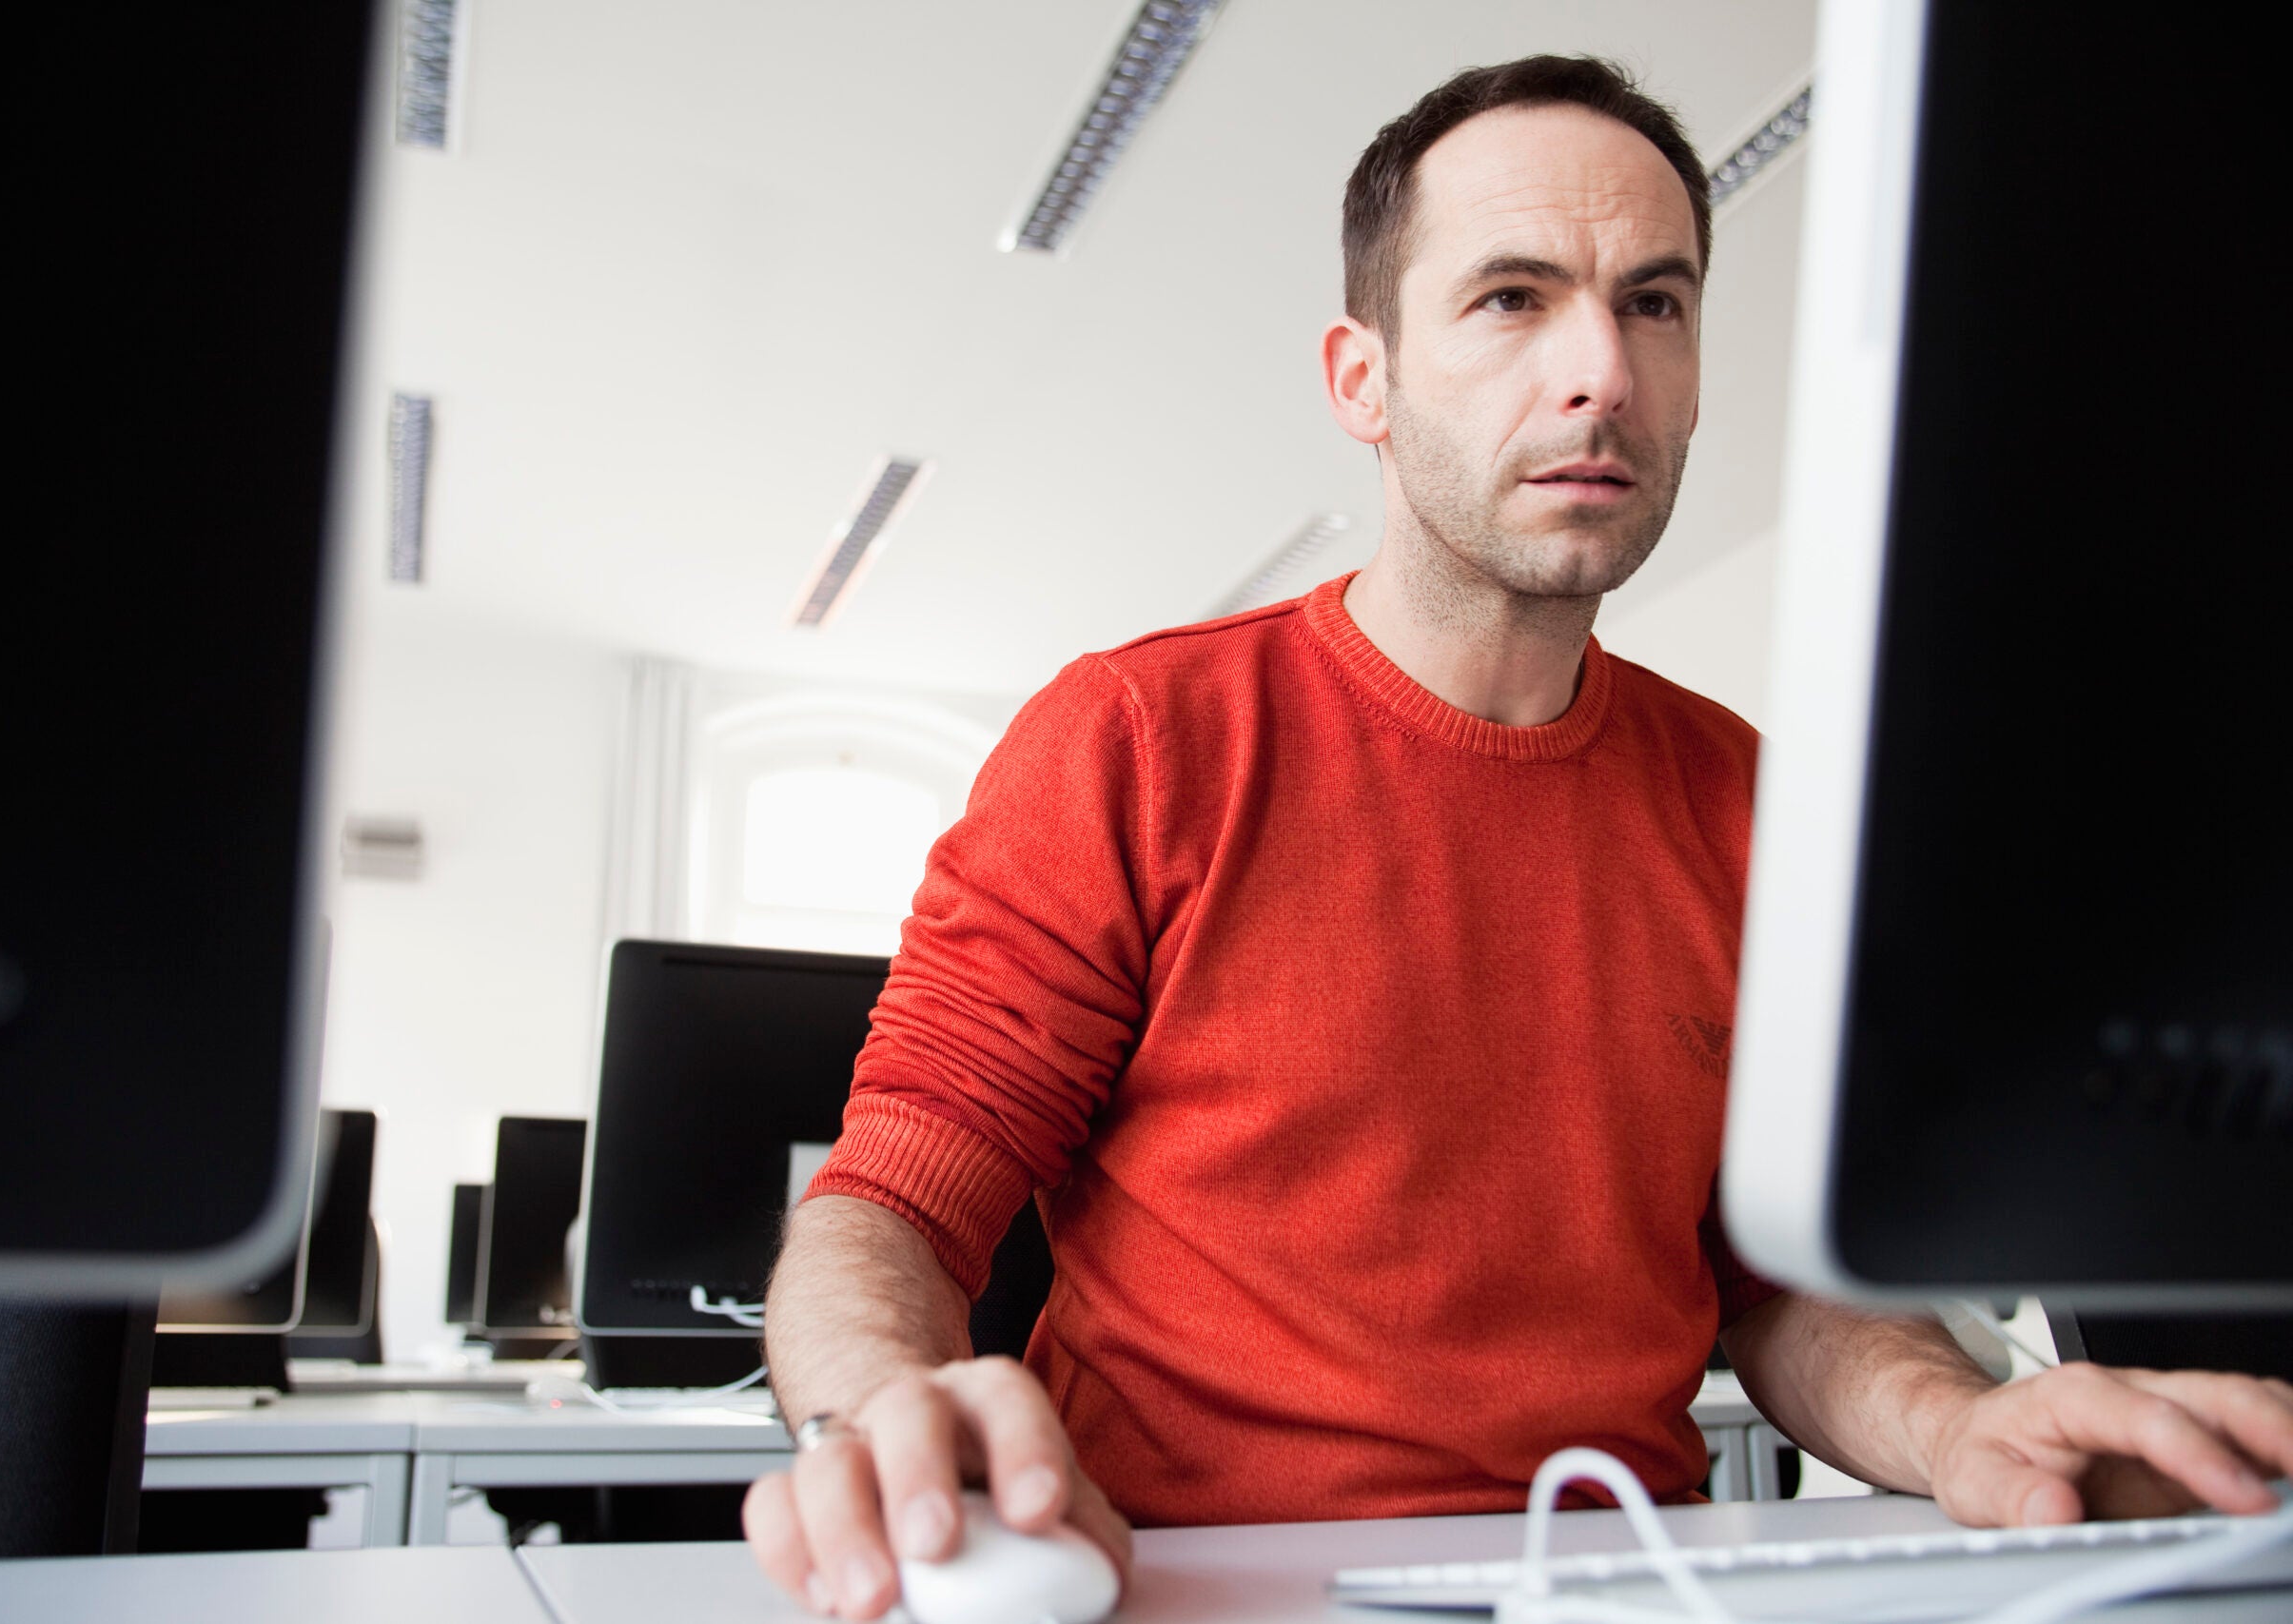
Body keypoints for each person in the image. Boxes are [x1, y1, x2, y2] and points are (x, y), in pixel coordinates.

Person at [740, 55, 2293, 1622]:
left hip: (1622, 1581)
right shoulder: (1138, 739)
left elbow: (1772, 1291)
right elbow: (897, 1204)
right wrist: (878, 1409)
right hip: (1197, 1583)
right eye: (1510, 299)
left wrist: (1964, 1426)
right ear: (1363, 377)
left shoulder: (1757, 805)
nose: (1600, 372)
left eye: (1656, 304)